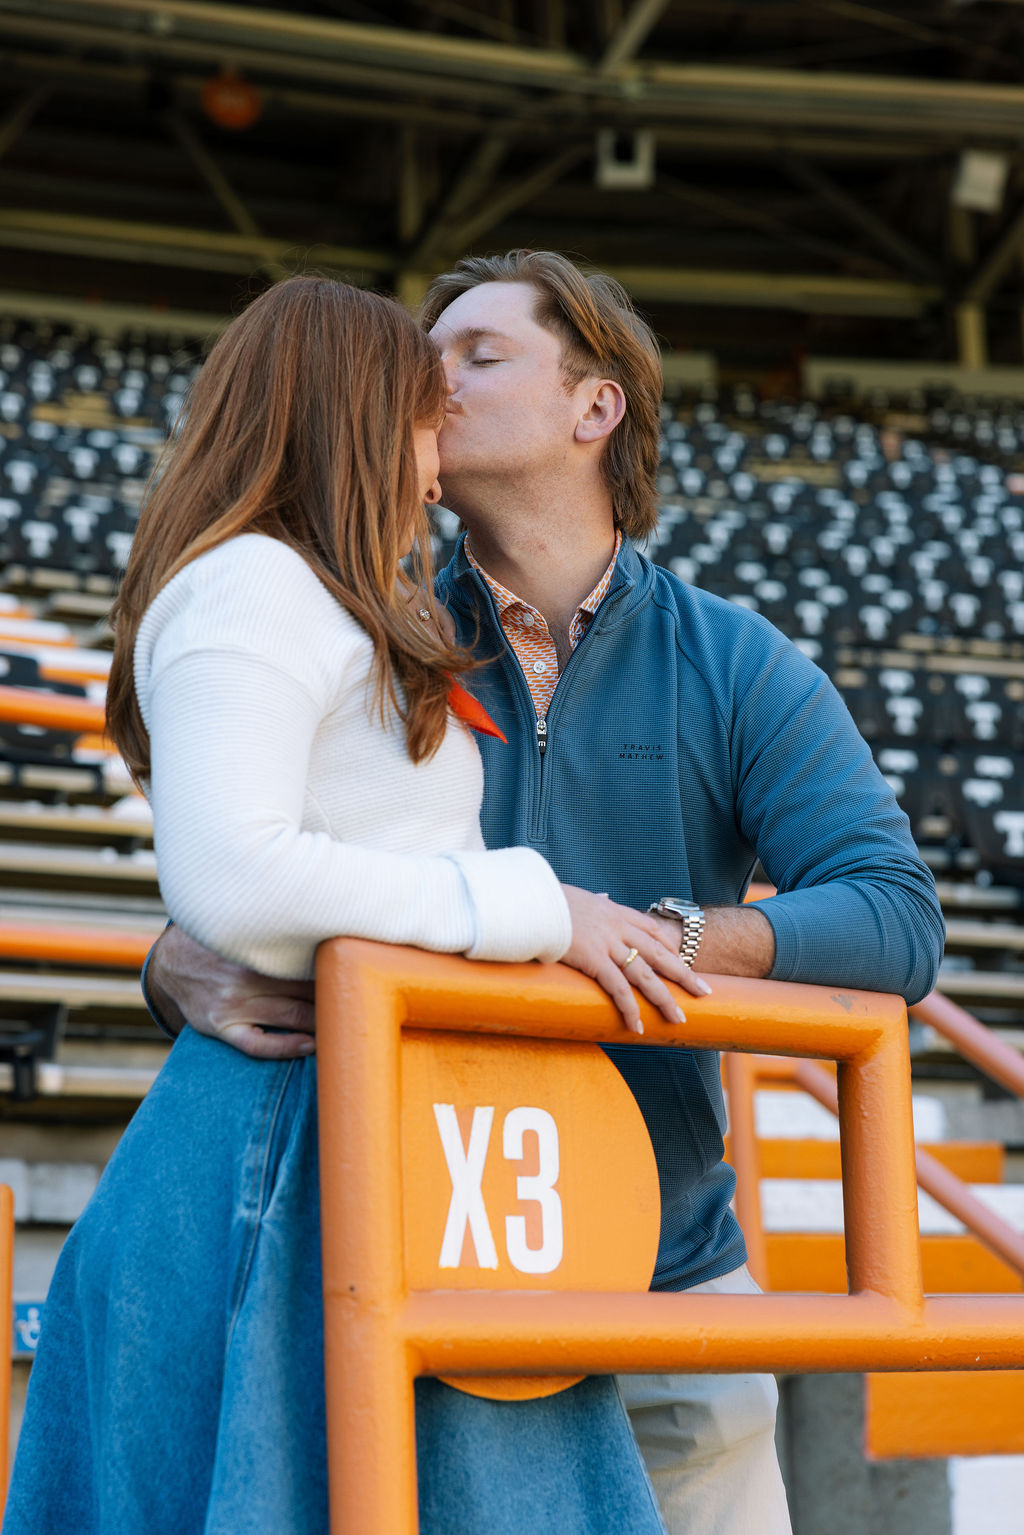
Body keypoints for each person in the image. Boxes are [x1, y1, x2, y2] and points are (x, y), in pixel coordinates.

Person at [137, 251, 945, 1535]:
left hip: (671, 1266)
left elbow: (897, 917)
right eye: (422, 355)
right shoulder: (363, 618)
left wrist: (673, 936)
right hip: (429, 1261)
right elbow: (267, 855)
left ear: (595, 408)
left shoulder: (738, 661)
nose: (430, 377)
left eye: (477, 354)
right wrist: (169, 955)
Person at [4, 275, 710, 1535]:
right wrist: (542, 905)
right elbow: (237, 877)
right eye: (425, 423)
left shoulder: (324, 592)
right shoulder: (250, 587)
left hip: (386, 1138)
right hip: (276, 1144)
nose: (440, 466)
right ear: (356, 418)